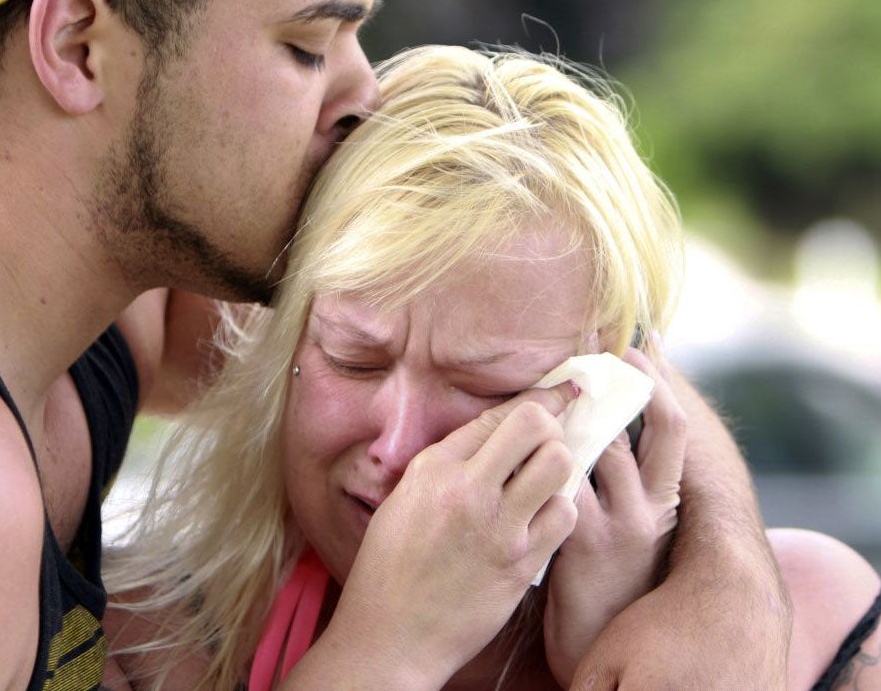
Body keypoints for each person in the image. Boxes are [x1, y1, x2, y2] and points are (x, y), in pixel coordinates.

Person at [0, 0, 808, 691]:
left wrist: (721, 584)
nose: (364, 93)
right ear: (77, 46)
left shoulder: (67, 301)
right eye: (306, 44)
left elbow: (552, 333)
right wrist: (388, 648)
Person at [99, 46, 881, 691]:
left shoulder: (811, 622)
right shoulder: (156, 641)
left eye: (487, 388)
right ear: (286, 341)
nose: (398, 448)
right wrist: (389, 648)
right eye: (354, 357)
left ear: (600, 391)